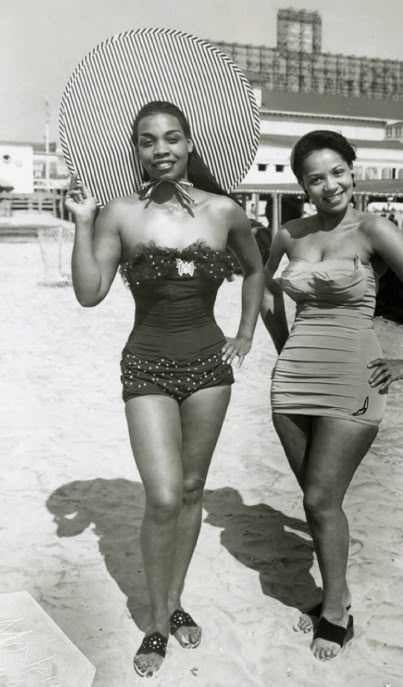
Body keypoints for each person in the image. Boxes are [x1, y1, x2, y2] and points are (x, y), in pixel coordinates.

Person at [66, 100, 264, 678]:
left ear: (188, 143)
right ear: (137, 151)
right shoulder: (119, 213)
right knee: (162, 496)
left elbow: (255, 269)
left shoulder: (225, 210)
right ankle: (156, 622)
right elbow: (89, 291)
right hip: (147, 365)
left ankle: (175, 601)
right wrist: (82, 219)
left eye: (172, 138)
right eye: (149, 141)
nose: (162, 149)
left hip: (209, 366)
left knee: (194, 487)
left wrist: (246, 332)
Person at [261, 130, 403, 662]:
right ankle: (336, 590)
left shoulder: (373, 229)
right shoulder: (288, 234)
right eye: (316, 177)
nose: (330, 184)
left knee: (319, 499)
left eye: (337, 171)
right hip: (294, 379)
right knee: (320, 502)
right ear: (302, 185)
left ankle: (336, 613)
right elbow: (270, 295)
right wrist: (283, 349)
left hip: (354, 378)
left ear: (353, 171)